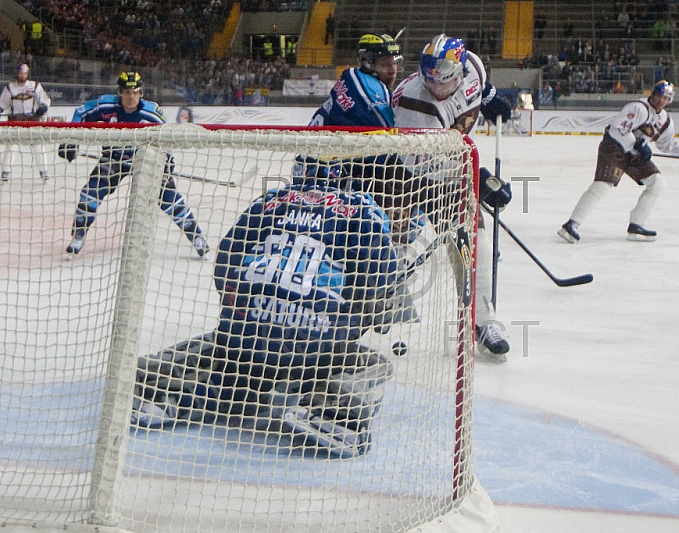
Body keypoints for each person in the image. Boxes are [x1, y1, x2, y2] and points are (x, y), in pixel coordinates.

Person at [130, 180, 401, 459]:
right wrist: (358, 323)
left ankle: (163, 392)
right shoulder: (365, 210)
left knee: (227, 360)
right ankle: (333, 412)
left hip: (247, 340)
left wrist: (240, 309)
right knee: (373, 365)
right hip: (315, 350)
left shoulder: (273, 199)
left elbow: (226, 256)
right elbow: (379, 283)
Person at [391, 34, 514, 360]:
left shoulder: (472, 63)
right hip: (407, 170)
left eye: (445, 83)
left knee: (477, 247)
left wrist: (490, 98)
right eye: (431, 81)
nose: (438, 89)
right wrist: (482, 177)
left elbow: (480, 90)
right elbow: (428, 167)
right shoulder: (418, 105)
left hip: (449, 164)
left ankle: (483, 321)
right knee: (391, 246)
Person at [57, 72, 210, 257]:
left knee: (170, 200)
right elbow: (80, 112)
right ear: (120, 92)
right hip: (114, 158)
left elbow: (166, 140)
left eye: (136, 92)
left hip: (145, 160)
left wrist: (166, 164)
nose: (131, 97)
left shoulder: (152, 112)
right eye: (127, 92)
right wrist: (71, 139)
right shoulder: (106, 105)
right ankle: (78, 236)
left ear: (141, 93)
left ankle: (196, 237)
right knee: (90, 194)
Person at [558, 80, 679, 243]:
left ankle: (637, 225)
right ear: (653, 94)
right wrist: (636, 143)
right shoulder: (638, 108)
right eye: (659, 95)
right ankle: (571, 224)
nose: (661, 100)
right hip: (614, 147)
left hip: (636, 154)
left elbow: (667, 144)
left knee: (657, 183)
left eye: (665, 98)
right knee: (603, 184)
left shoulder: (665, 121)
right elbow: (618, 127)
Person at [309, 33, 401, 127]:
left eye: (395, 63)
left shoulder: (351, 76)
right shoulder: (367, 90)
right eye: (385, 64)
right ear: (366, 63)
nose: (393, 71)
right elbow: (389, 133)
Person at [0, 63, 51, 181]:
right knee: (11, 145)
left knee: (38, 146)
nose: (22, 75)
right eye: (20, 72)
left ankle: (44, 171)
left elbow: (45, 100)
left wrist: (43, 107)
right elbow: (3, 103)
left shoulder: (35, 86)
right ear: (17, 73)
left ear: (27, 74)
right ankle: (6, 171)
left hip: (32, 120)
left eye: (24, 72)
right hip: (15, 121)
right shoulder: (10, 87)